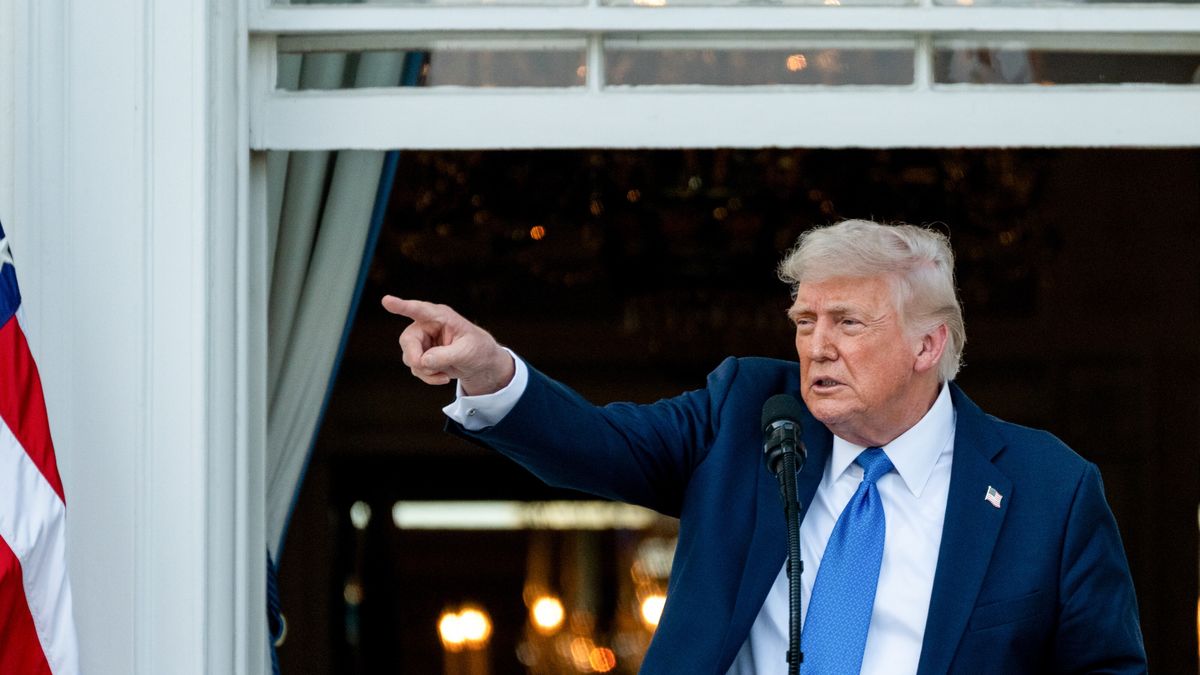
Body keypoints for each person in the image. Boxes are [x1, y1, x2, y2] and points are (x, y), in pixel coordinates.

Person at [383, 219, 1146, 674]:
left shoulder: (1050, 489)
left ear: (927, 344)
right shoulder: (751, 411)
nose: (817, 346)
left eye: (847, 323)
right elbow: (600, 444)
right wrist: (492, 372)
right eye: (805, 320)